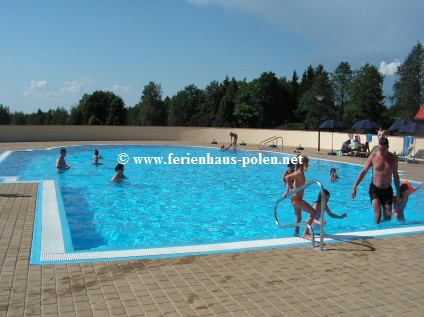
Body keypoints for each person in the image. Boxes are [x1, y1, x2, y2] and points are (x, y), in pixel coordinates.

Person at [351, 138, 400, 224]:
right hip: (375, 189)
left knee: (388, 216)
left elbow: (395, 176)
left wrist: (398, 192)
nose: (381, 151)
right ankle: (376, 234)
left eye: (383, 150)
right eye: (380, 149)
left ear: (388, 147)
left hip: (388, 190)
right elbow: (363, 172)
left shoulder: (393, 158)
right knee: (378, 215)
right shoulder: (373, 157)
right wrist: (355, 186)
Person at [283, 156, 316, 238]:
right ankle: (305, 232)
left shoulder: (300, 172)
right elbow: (287, 178)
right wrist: (291, 189)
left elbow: (289, 179)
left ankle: (296, 233)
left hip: (297, 199)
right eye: (307, 163)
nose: (308, 164)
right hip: (296, 200)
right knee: (313, 212)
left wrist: (287, 192)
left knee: (298, 217)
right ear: (304, 163)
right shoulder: (299, 173)